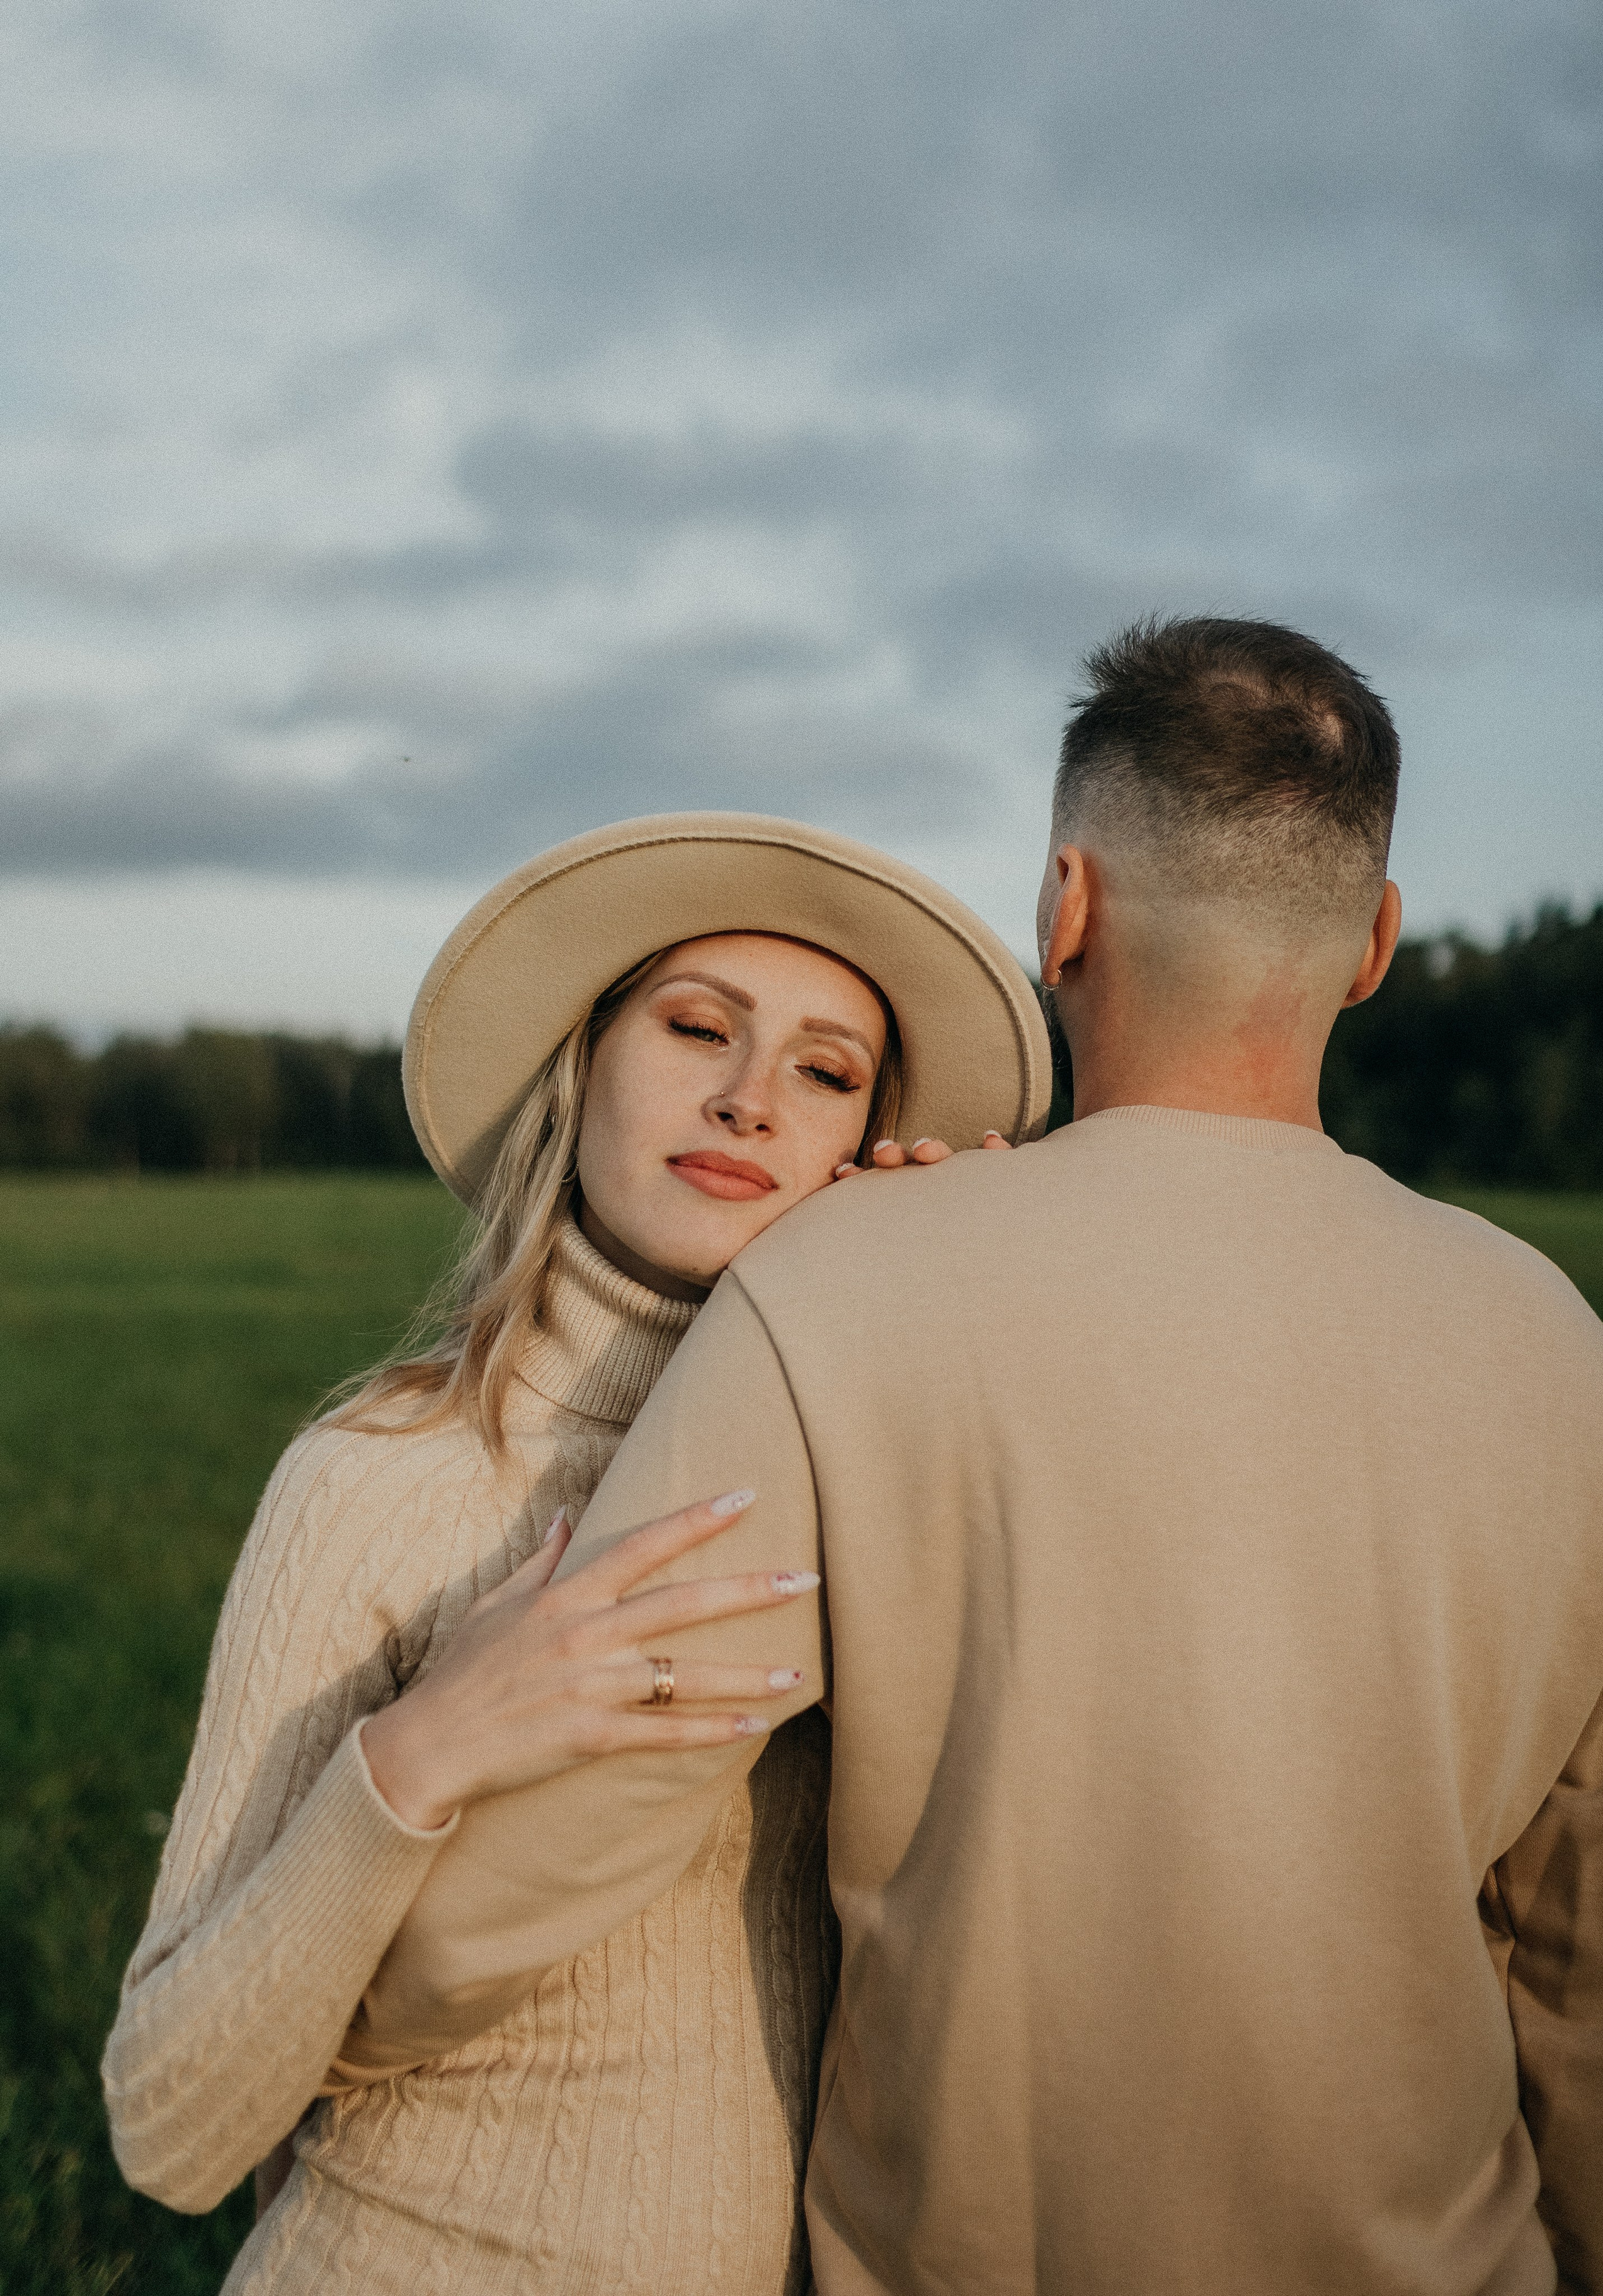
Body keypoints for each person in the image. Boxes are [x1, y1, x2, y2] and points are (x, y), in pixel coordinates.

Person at [357, 620, 1603, 2296]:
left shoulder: (844, 1276)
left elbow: (572, 1826)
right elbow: (1582, 1960)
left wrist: (348, 2010)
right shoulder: (1565, 1349)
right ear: (1374, 943)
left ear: (1062, 906)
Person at [100, 812, 1051, 2293]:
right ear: (583, 1060)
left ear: (865, 1146)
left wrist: (953, 1328)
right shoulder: (376, 1480)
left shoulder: (881, 1484)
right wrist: (421, 1747)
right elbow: (168, 2124)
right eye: (697, 1028)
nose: (748, 1100)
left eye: (822, 1072)